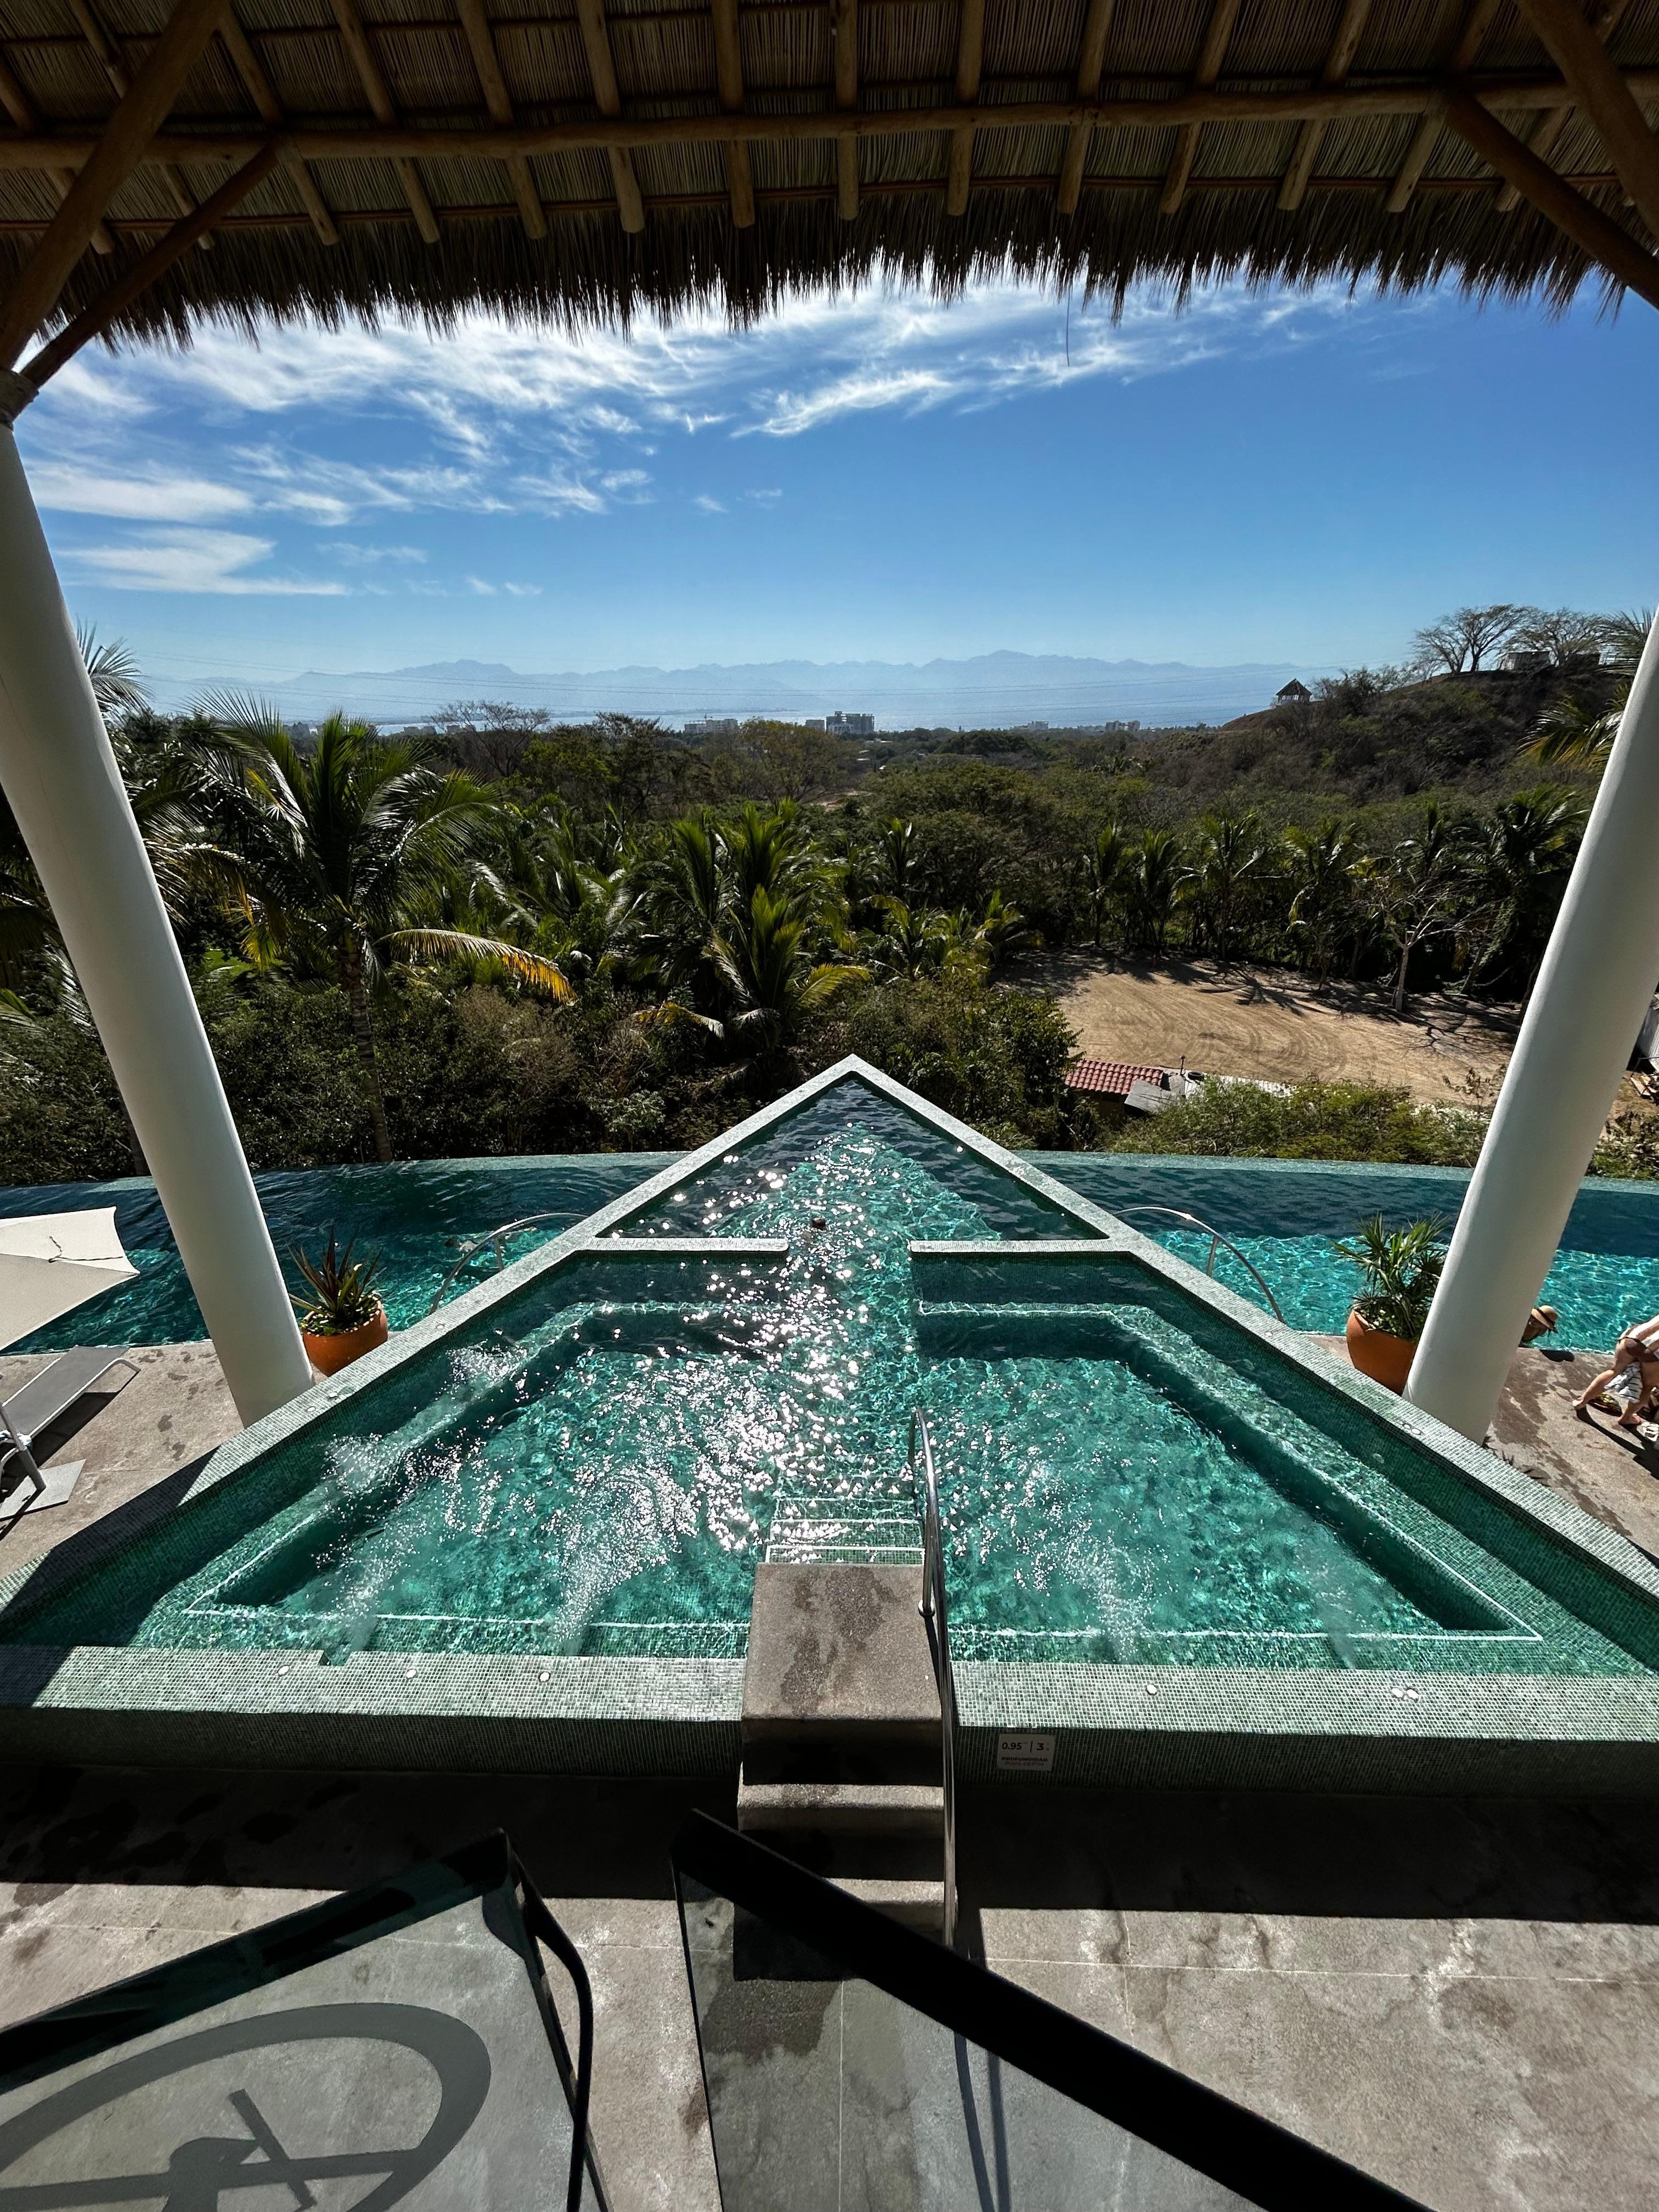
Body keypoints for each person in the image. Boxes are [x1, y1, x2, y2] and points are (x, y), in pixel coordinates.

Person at [1575, 1315, 1659, 1429]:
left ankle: (1581, 1402)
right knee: (1647, 1387)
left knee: (1614, 1371)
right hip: (1654, 1352)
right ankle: (1627, 1418)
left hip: (1633, 1338)